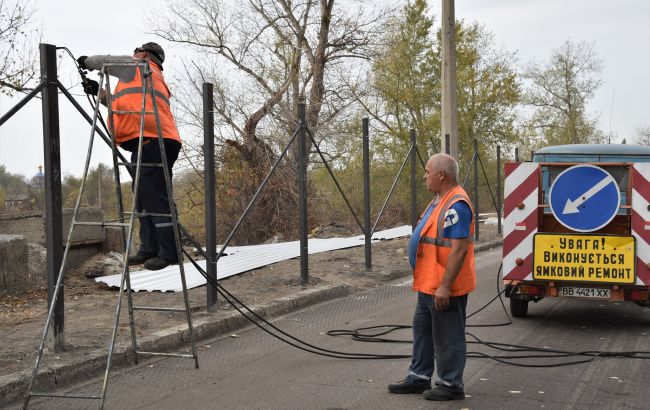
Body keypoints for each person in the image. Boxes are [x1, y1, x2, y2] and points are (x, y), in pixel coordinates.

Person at [77, 42, 182, 271]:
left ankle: (170, 252)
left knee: (154, 196)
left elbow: (102, 60)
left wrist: (85, 61)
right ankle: (149, 248)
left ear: (143, 54)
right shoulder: (147, 78)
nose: (134, 54)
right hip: (151, 139)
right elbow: (124, 107)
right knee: (143, 197)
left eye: (137, 51)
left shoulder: (138, 66)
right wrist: (100, 93)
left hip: (154, 139)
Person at [388, 153, 476, 401]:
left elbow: (459, 250)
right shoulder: (439, 199)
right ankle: (419, 377)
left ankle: (451, 384)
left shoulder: (456, 204)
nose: (424, 176)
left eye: (427, 171)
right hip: (428, 283)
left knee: (448, 336)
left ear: (441, 175)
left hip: (444, 285)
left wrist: (445, 287)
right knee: (423, 330)